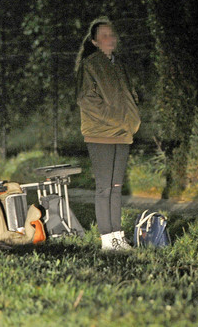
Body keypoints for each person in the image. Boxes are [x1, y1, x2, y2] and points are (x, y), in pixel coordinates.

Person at [75, 17, 141, 251]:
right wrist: (118, 118)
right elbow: (86, 100)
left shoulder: (118, 64)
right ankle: (107, 240)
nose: (109, 38)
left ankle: (118, 236)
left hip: (122, 134)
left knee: (115, 187)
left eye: (111, 34)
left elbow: (128, 97)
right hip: (101, 135)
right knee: (104, 188)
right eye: (103, 36)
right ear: (94, 41)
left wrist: (132, 121)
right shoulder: (90, 64)